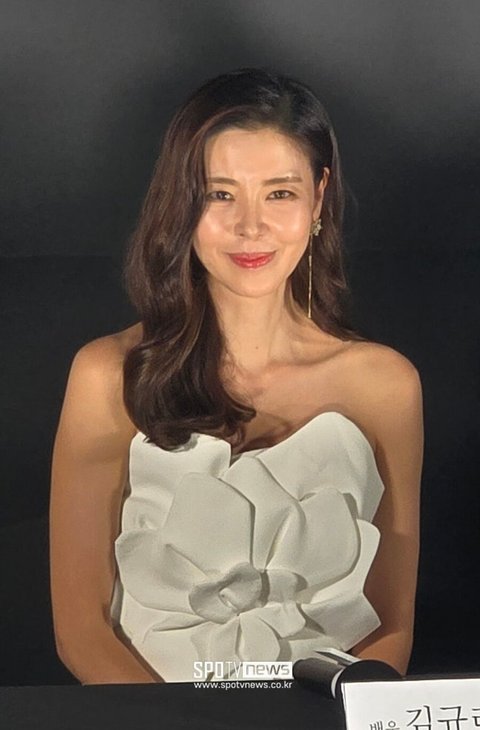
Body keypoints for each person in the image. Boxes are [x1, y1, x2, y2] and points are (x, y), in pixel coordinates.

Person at [49, 67, 423, 685]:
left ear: (318, 198)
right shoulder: (107, 374)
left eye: (280, 194)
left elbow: (390, 625)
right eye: (220, 194)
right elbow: (81, 630)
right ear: (182, 203)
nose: (251, 226)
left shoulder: (384, 385)